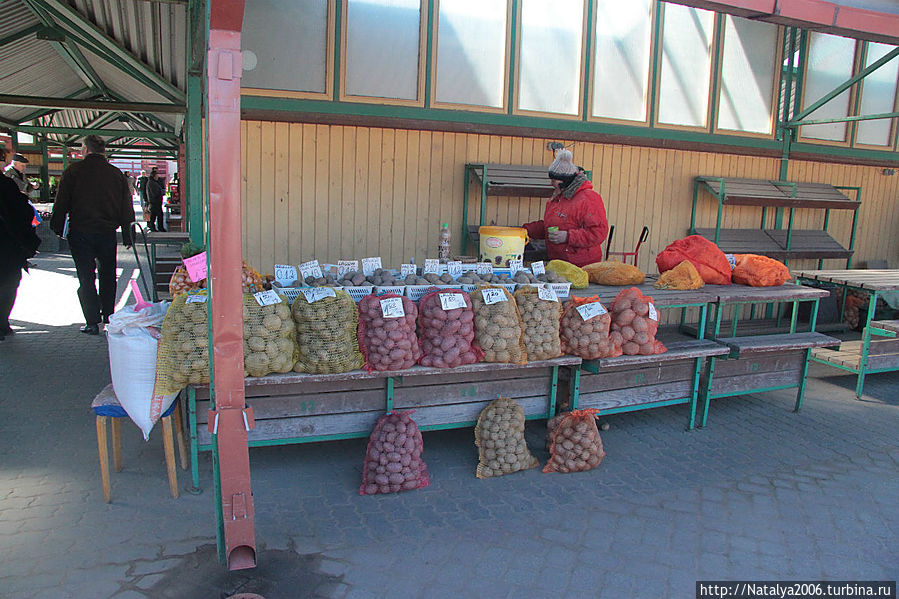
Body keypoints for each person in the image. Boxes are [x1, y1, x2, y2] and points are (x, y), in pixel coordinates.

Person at [50, 135, 134, 335]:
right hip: (106, 233)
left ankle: (91, 321)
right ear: (103, 151)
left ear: (85, 150)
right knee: (108, 275)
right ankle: (108, 316)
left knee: (86, 278)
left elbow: (61, 202)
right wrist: (128, 236)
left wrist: (56, 226)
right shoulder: (116, 174)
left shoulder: (74, 172)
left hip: (81, 232)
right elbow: (126, 206)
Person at [522, 148, 609, 267]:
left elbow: (598, 233)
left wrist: (567, 236)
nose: (551, 183)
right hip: (559, 263)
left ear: (565, 181)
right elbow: (549, 226)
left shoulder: (589, 199)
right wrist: (525, 230)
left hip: (582, 265)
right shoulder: (558, 198)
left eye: (554, 180)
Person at [0, 148, 41, 341]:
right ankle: (1, 323)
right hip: (7, 248)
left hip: (8, 246)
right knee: (7, 285)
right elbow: (23, 213)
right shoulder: (6, 185)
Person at [146, 167, 166, 232]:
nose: (158, 177)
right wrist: (161, 193)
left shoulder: (152, 182)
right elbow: (155, 193)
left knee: (154, 216)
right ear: (154, 176)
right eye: (157, 176)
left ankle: (154, 227)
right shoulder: (152, 183)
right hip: (155, 202)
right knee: (158, 215)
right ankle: (158, 227)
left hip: (154, 202)